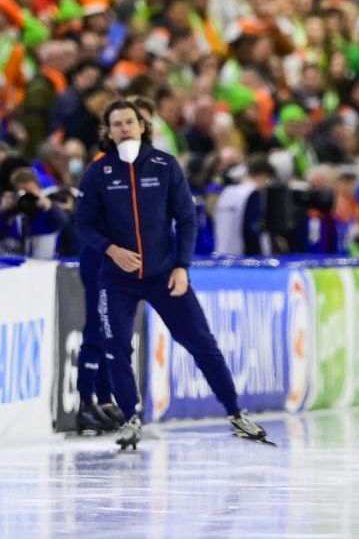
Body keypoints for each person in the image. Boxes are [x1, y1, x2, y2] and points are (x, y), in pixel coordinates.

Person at [75, 100, 269, 449]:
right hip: (116, 278)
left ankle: (235, 412)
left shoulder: (165, 165)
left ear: (142, 126)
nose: (124, 129)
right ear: (108, 131)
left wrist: (182, 266)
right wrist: (111, 250)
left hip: (164, 274)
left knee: (201, 343)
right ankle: (130, 417)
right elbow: (84, 224)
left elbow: (187, 219)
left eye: (129, 122)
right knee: (115, 346)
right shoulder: (98, 172)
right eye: (116, 124)